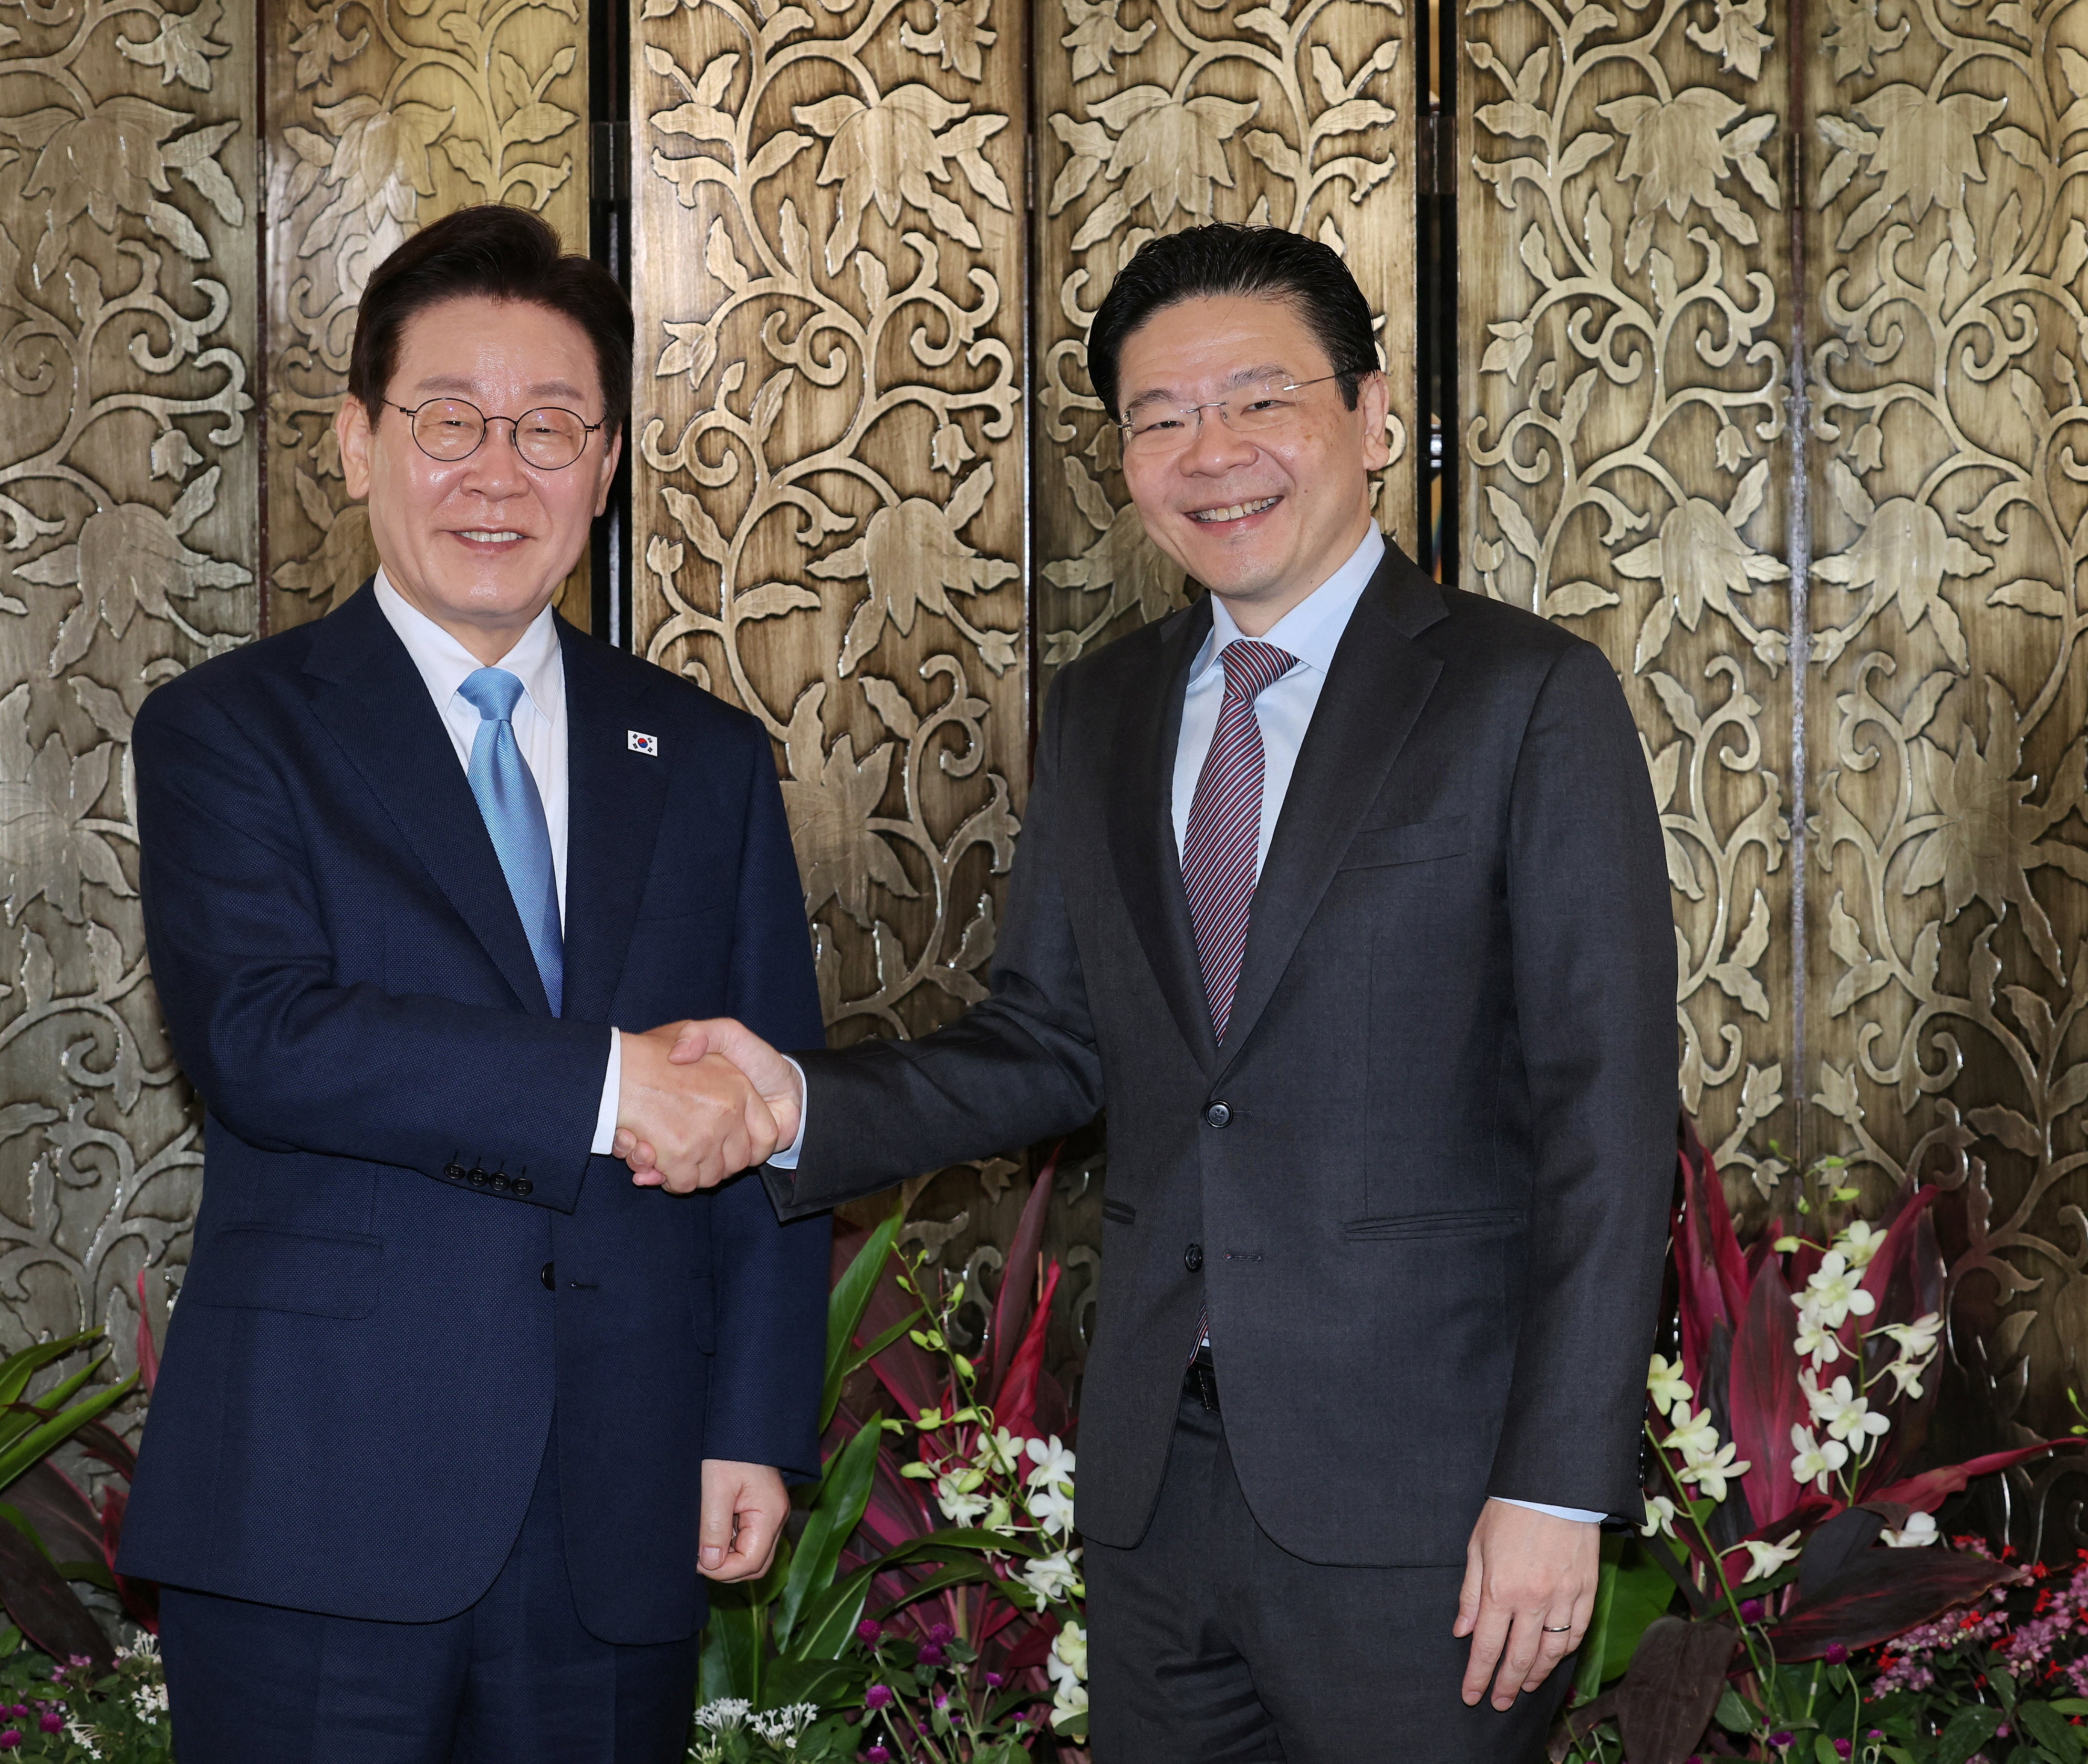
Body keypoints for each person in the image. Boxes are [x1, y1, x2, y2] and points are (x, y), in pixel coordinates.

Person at [624, 224, 1680, 1762]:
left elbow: (1610, 1113)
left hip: (1432, 1508)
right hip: (1156, 1501)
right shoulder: (1108, 706)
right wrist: (793, 1101)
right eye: (1162, 417)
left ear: (1373, 418)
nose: (1214, 453)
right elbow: (1050, 1045)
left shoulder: (1524, 697)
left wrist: (1558, 1484)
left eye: (1261, 400)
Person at [121, 204, 829, 1764]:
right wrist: (605, 1085)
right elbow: (263, 1037)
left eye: (549, 428)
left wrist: (754, 1425)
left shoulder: (703, 759)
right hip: (319, 1500)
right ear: (357, 442)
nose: (497, 472)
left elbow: (774, 1109)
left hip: (619, 1498)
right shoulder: (233, 731)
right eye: (449, 422)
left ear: (610, 461)